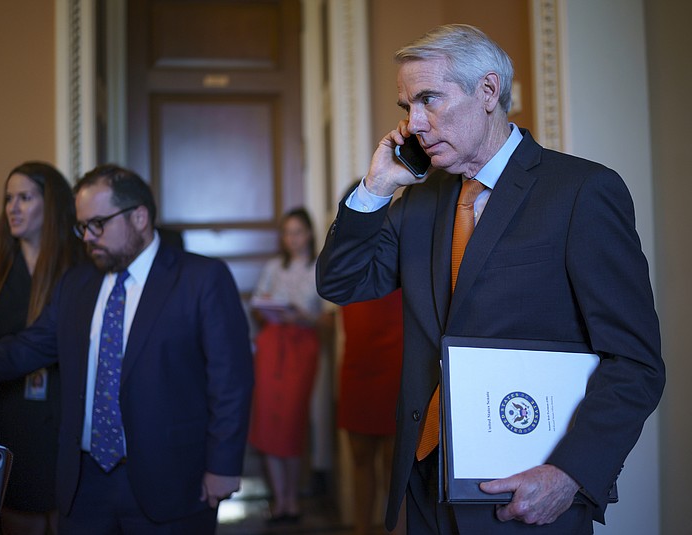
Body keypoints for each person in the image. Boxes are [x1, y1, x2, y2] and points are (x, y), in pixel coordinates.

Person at [316, 24, 665, 534]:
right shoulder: (417, 202)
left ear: (487, 91)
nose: (414, 124)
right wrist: (374, 188)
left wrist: (570, 475)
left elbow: (635, 362)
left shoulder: (582, 191)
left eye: (429, 99)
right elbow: (341, 283)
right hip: (426, 482)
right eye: (406, 107)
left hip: (528, 491)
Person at [0, 164, 253, 534]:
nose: (88, 237)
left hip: (173, 483)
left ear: (139, 217)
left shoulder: (200, 279)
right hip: (84, 485)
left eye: (98, 224)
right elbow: (25, 349)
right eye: (82, 227)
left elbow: (230, 382)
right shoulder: (76, 284)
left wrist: (223, 465)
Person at [0, 162, 84, 535]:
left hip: (66, 416)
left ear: (51, 204)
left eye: (25, 197)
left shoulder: (83, 267)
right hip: (6, 416)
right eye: (9, 198)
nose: (13, 208)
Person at [248, 207, 329, 524]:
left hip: (301, 346)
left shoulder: (320, 267)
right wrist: (269, 310)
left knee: (292, 419)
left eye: (296, 232)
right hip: (271, 345)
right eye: (286, 233)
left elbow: (328, 317)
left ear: (308, 233)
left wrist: (303, 316)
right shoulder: (272, 267)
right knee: (267, 417)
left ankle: (293, 498)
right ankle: (279, 500)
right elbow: (257, 306)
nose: (291, 239)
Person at [337, 289, 405, 535]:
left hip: (397, 358)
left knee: (394, 462)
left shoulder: (408, 253)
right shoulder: (347, 256)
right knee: (360, 456)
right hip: (359, 360)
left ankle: (397, 531)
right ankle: (361, 529)